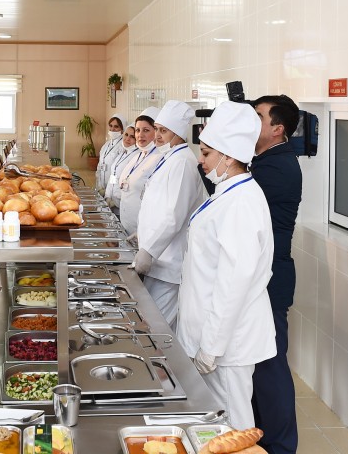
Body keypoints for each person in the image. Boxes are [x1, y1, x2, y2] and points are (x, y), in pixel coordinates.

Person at [177, 100, 276, 431]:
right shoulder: (227, 192)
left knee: (234, 426)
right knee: (216, 425)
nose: (200, 160)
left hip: (228, 344)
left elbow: (233, 284)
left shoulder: (242, 203)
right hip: (211, 335)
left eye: (206, 153)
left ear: (229, 156)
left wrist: (211, 346)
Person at [249, 95, 302, 454]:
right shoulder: (264, 160)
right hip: (261, 275)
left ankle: (281, 446)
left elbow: (235, 193)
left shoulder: (279, 166)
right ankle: (260, 436)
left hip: (270, 278)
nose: (251, 123)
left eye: (258, 117)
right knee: (259, 364)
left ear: (277, 129)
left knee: (270, 365)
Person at [134, 100, 205, 329]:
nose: (157, 136)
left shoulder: (183, 163)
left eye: (163, 131)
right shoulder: (170, 158)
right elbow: (158, 206)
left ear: (178, 133)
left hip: (169, 263)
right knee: (153, 323)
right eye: (157, 129)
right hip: (158, 260)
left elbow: (174, 216)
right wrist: (142, 233)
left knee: (158, 329)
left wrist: (149, 249)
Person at [116, 107, 162, 235]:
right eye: (137, 130)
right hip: (126, 225)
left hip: (142, 230)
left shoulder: (159, 158)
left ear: (156, 132)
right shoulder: (139, 155)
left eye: (146, 130)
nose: (140, 135)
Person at [103, 126, 137, 210]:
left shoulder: (136, 156)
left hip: (122, 204)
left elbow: (130, 184)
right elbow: (113, 175)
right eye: (126, 135)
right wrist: (108, 195)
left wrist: (117, 201)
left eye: (132, 137)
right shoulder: (123, 153)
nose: (127, 139)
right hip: (112, 201)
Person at [94, 113, 125, 192]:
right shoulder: (106, 145)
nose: (112, 129)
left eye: (116, 126)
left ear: (122, 129)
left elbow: (117, 171)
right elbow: (99, 166)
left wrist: (109, 190)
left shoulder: (123, 146)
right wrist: (99, 185)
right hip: (101, 185)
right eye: (111, 126)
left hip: (112, 189)